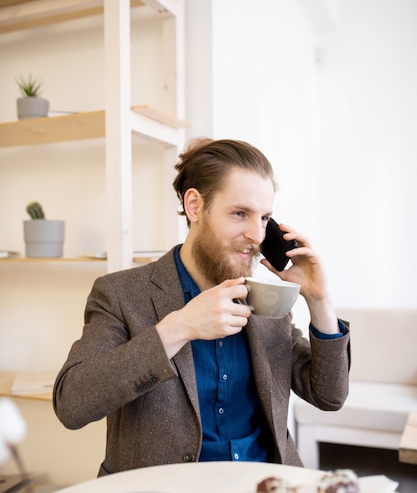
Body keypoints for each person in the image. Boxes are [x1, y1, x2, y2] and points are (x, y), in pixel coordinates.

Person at [53, 138, 350, 475]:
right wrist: (177, 329)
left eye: (264, 217)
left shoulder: (267, 303)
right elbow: (71, 404)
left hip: (263, 488)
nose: (256, 234)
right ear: (194, 206)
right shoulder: (121, 294)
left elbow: (329, 396)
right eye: (240, 213)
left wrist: (318, 300)